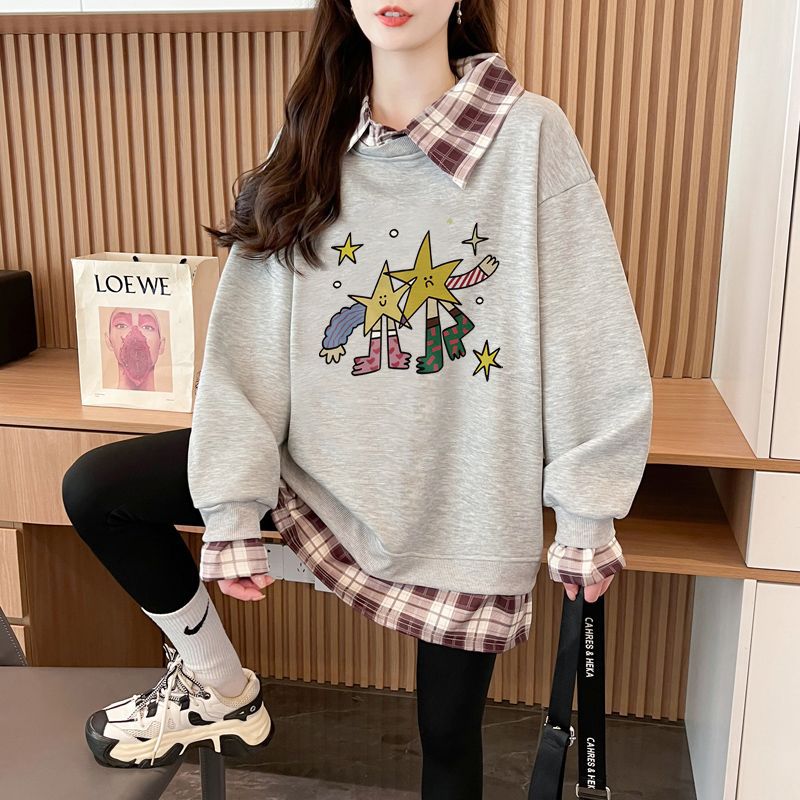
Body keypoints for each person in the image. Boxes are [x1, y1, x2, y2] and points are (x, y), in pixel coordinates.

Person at [60, 1, 652, 797]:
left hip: (461, 502)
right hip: (315, 476)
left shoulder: (529, 136)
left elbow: (588, 331)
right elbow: (246, 351)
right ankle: (216, 684)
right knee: (98, 490)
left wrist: (587, 513)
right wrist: (232, 506)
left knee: (448, 738)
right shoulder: (312, 140)